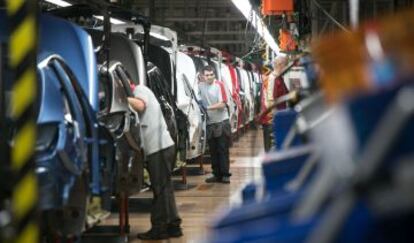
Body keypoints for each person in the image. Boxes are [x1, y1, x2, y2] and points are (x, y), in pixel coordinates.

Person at [128, 84, 182, 240]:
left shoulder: (139, 90)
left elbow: (140, 105)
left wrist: (121, 98)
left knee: (160, 190)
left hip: (159, 148)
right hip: (161, 147)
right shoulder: (140, 91)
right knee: (166, 189)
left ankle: (159, 228)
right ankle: (173, 225)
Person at [198, 65, 231, 184]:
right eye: (207, 75)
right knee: (213, 150)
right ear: (202, 76)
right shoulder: (200, 86)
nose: (210, 77)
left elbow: (223, 104)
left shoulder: (219, 85)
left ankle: (225, 174)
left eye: (212, 74)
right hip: (210, 123)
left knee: (222, 150)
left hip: (222, 121)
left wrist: (207, 108)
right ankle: (216, 174)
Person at [259, 66, 273, 152]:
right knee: (266, 136)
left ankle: (268, 153)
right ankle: (267, 152)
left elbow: (269, 100)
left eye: (262, 74)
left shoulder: (268, 83)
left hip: (269, 116)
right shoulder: (264, 84)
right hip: (265, 116)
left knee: (268, 136)